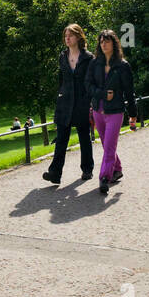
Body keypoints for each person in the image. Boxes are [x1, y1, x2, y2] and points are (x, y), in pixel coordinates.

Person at [43, 24, 96, 185]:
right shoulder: (62, 56)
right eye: (66, 36)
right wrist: (60, 95)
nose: (67, 38)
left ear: (79, 37)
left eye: (70, 35)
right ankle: (55, 173)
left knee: (84, 137)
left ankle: (87, 170)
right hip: (65, 102)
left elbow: (92, 81)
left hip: (82, 102)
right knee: (61, 139)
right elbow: (62, 80)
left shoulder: (88, 58)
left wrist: (91, 102)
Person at [88, 29, 137, 196]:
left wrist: (133, 114)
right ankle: (117, 169)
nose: (104, 44)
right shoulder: (94, 64)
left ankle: (104, 178)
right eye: (101, 41)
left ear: (114, 43)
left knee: (109, 147)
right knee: (106, 145)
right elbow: (88, 86)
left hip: (115, 112)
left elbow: (129, 92)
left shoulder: (123, 66)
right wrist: (102, 94)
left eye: (107, 41)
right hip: (98, 110)